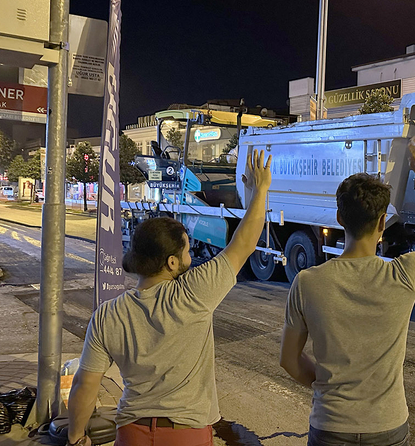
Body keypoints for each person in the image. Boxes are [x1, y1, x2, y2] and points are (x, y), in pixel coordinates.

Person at [65, 149, 272, 446]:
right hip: (186, 434)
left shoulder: (108, 314)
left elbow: (85, 383)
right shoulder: (193, 293)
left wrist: (75, 436)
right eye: (187, 251)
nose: (191, 256)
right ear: (172, 262)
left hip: (131, 434)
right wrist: (259, 191)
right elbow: (245, 243)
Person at [279, 138, 415, 446]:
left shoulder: (307, 282)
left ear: (340, 218)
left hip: (330, 427)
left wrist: (331, 388)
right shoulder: (405, 275)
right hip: (388, 428)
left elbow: (289, 361)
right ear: (383, 222)